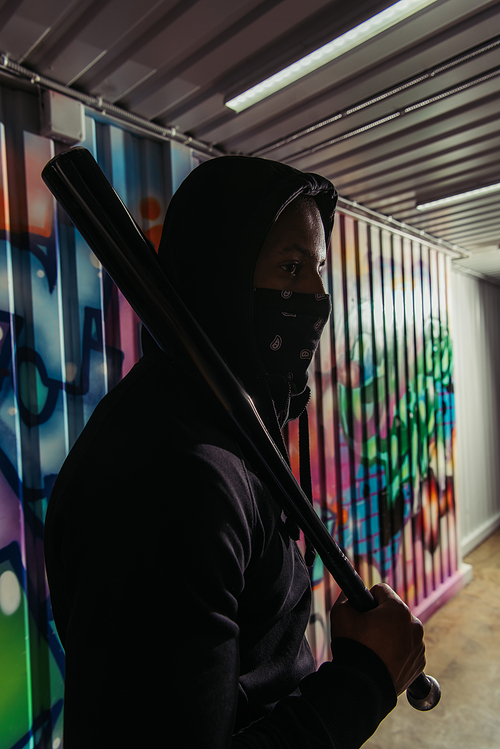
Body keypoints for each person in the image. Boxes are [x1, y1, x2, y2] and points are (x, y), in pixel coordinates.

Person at [44, 155, 425, 748]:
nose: (318, 298)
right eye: (293, 269)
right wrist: (364, 680)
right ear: (220, 277)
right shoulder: (170, 477)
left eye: (320, 270)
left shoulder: (236, 427)